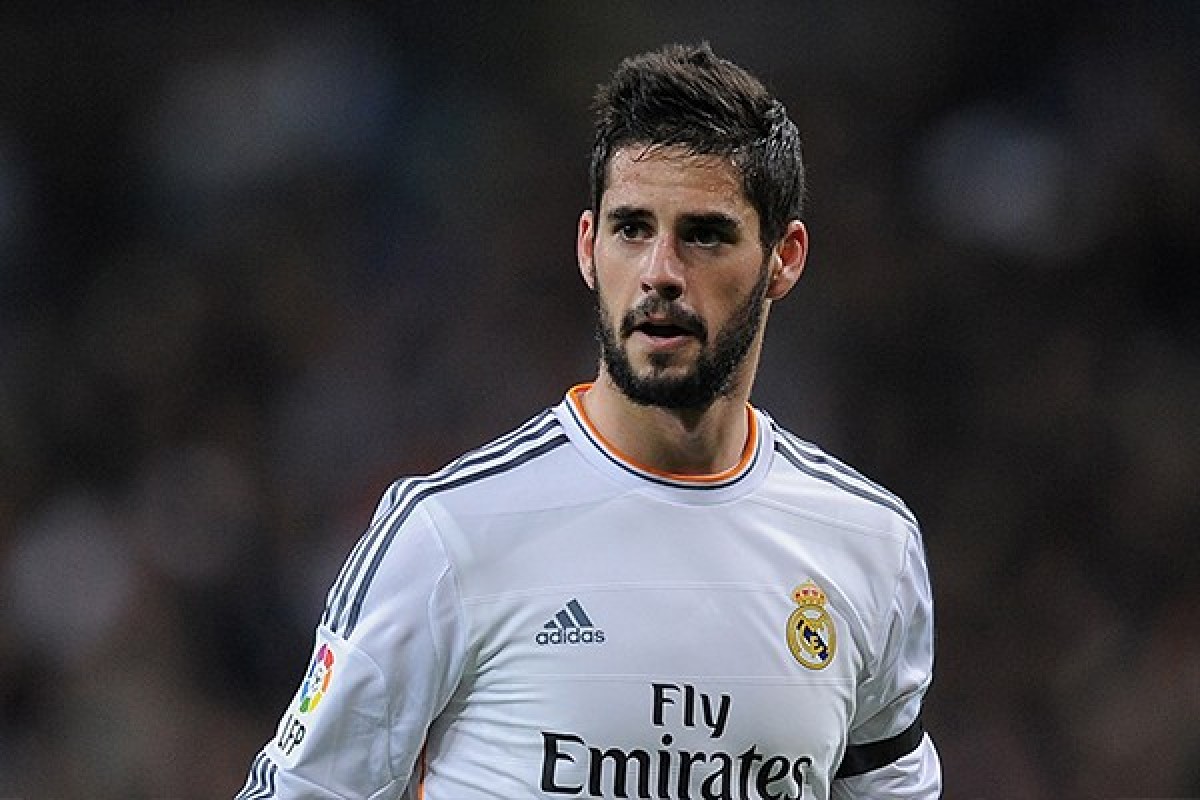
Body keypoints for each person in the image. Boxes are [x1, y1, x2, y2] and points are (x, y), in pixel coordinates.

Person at [235, 42, 940, 800]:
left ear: (784, 257)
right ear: (587, 247)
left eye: (704, 234)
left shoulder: (870, 545)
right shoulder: (448, 536)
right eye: (632, 228)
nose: (660, 272)